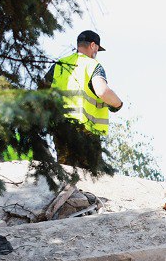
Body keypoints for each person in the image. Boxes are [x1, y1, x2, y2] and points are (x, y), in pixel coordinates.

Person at [49, 30, 123, 166]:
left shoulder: (59, 65)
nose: (96, 53)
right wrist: (118, 104)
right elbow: (102, 91)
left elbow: (42, 91)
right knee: (91, 175)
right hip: (85, 129)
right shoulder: (93, 65)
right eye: (97, 50)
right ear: (93, 45)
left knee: (65, 170)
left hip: (60, 127)